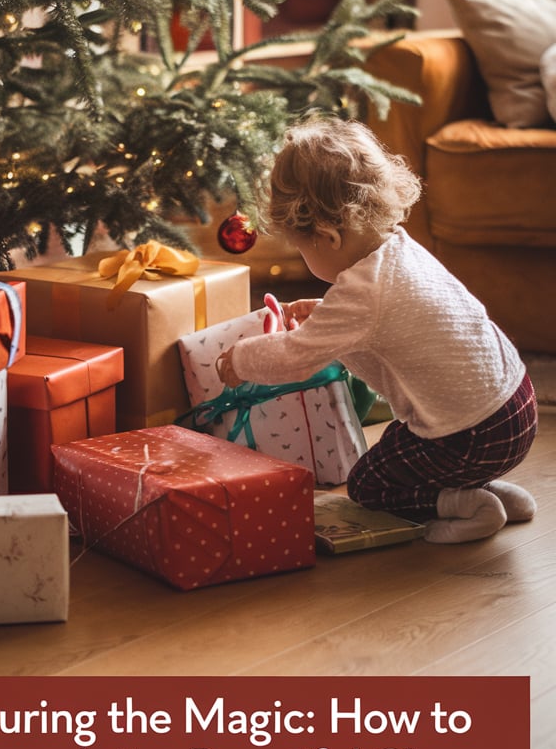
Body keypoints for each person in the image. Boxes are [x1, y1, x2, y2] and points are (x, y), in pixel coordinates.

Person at [217, 116, 538, 544]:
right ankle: (487, 490)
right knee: (397, 446)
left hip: (472, 436)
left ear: (328, 237)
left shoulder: (362, 295)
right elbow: (387, 323)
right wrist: (323, 311)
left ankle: (470, 504)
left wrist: (238, 360)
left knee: (369, 484)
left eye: (300, 245)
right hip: (516, 407)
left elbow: (294, 357)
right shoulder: (399, 250)